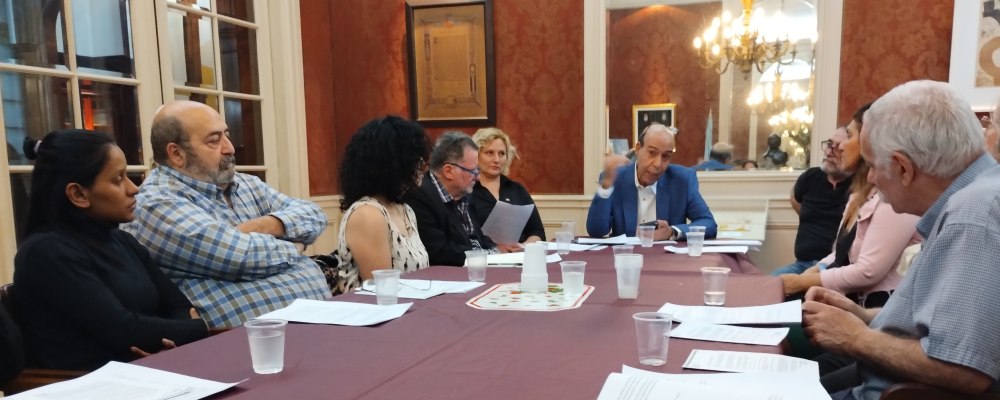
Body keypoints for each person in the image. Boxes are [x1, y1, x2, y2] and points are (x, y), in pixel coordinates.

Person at [803, 80, 1000, 400]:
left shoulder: (973, 215)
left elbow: (965, 371)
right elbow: (938, 325)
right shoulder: (975, 195)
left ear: (904, 168)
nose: (870, 178)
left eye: (873, 166)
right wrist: (862, 316)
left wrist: (856, 338)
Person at [13, 130, 208, 370]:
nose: (134, 188)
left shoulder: (123, 241)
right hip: (84, 382)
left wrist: (171, 342)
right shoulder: (45, 252)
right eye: (118, 179)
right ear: (78, 194)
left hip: (151, 372)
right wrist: (196, 329)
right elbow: (123, 330)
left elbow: (179, 306)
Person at [123, 101, 329, 328]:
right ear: (177, 154)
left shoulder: (246, 184)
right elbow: (241, 257)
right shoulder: (156, 202)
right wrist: (296, 246)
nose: (229, 148)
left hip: (317, 325)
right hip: (239, 343)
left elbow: (314, 215)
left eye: (227, 136)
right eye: (214, 141)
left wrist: (265, 226)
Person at [780, 105, 921, 304]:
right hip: (847, 300)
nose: (840, 146)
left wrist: (801, 282)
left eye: (849, 135)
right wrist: (812, 271)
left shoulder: (895, 198)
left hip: (875, 309)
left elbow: (867, 272)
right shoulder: (859, 194)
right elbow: (840, 254)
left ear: (869, 141)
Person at [334, 116, 430, 294]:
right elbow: (383, 291)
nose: (422, 169)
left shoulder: (405, 209)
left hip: (411, 303)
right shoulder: (368, 214)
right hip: (370, 309)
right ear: (393, 165)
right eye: (415, 162)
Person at [586, 123, 717, 240]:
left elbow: (708, 223)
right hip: (626, 257)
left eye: (666, 156)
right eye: (652, 153)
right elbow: (596, 231)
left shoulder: (682, 180)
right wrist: (606, 186)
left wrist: (671, 232)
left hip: (665, 258)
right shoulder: (615, 177)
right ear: (638, 149)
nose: (658, 164)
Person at [405, 132, 498, 266]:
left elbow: (477, 238)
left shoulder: (464, 194)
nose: (478, 177)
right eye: (473, 171)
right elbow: (439, 251)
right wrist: (489, 256)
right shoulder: (419, 197)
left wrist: (497, 250)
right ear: (448, 171)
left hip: (478, 266)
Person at [770, 127, 854, 276]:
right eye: (829, 144)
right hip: (802, 264)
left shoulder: (859, 186)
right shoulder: (810, 177)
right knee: (772, 281)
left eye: (838, 149)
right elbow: (795, 199)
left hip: (838, 268)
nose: (828, 152)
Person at [469, 127, 545, 251]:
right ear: (476, 155)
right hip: (486, 258)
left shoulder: (517, 190)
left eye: (501, 154)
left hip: (520, 256)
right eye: (489, 153)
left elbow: (537, 231)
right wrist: (496, 250)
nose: (496, 160)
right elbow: (466, 239)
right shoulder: (467, 192)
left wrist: (523, 247)